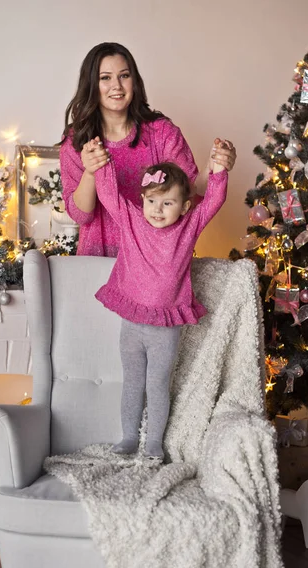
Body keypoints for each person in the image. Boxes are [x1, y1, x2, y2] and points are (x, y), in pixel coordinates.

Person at [91, 149, 228, 459]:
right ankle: (128, 438)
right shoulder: (132, 220)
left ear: (184, 207)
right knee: (132, 382)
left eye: (168, 203)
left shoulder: (188, 227)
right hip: (133, 323)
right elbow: (109, 193)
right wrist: (101, 165)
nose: (158, 209)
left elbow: (214, 202)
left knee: (157, 386)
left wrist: (218, 171)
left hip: (165, 328)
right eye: (152, 201)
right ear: (143, 200)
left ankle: (153, 443)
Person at [60, 42, 236, 257]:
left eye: (124, 76)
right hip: (98, 259)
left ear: (134, 81)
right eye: (105, 77)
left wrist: (213, 165)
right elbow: (81, 216)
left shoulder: (162, 132)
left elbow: (189, 194)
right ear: (91, 84)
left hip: (155, 260)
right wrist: (90, 172)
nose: (116, 85)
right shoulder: (76, 140)